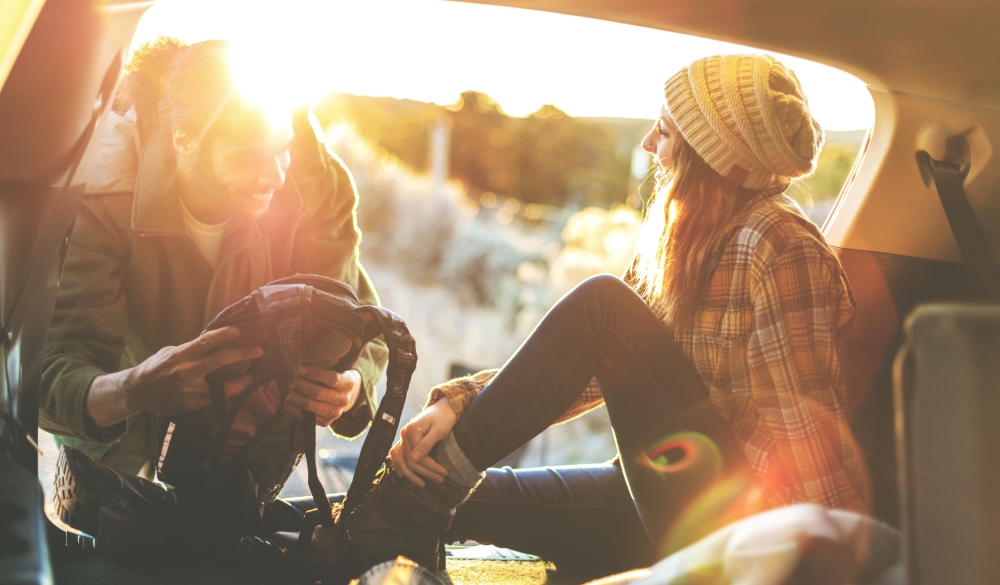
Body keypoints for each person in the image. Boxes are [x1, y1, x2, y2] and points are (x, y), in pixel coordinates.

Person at [271, 53, 868, 579]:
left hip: (744, 528)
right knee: (418, 500)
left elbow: (807, 435)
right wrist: (460, 403)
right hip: (652, 497)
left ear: (713, 154)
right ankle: (312, 527)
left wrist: (822, 565)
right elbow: (584, 368)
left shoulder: (781, 247)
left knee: (604, 304)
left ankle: (407, 505)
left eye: (664, 130)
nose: (647, 146)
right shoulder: (684, 236)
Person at [40, 38, 387, 504]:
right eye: (248, 158)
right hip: (123, 387)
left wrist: (351, 382)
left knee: (223, 536)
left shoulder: (314, 188)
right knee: (109, 529)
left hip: (243, 407)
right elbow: (52, 371)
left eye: (281, 150)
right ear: (184, 142)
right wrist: (134, 389)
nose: (274, 177)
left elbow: (363, 320)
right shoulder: (101, 194)